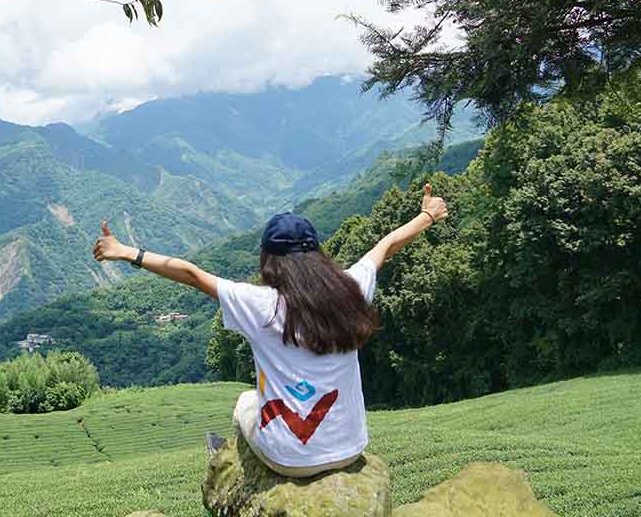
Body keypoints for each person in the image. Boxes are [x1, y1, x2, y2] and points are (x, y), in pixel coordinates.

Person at [92, 183, 449, 478]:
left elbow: (191, 274)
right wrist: (427, 215)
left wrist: (126, 252)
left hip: (289, 459)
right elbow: (385, 247)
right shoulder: (350, 289)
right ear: (317, 255)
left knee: (247, 401)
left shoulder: (261, 305)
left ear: (268, 260)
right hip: (351, 447)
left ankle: (227, 466)